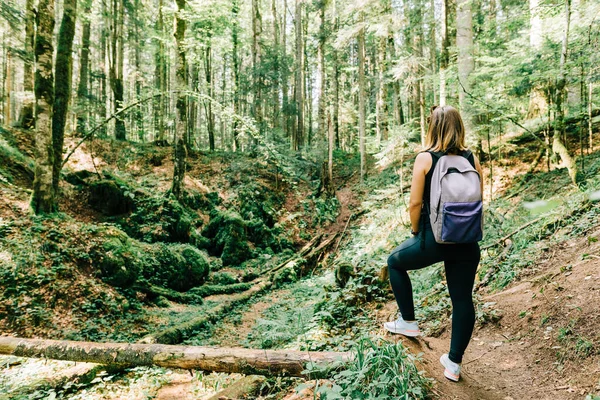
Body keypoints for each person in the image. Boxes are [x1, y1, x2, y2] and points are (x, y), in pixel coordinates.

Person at [384, 105, 483, 382]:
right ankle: (453, 364)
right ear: (459, 126)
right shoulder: (472, 159)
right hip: (467, 242)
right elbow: (478, 200)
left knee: (394, 262)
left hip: (435, 239)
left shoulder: (425, 158)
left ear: (432, 127)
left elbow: (416, 203)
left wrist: (417, 232)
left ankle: (409, 322)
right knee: (462, 299)